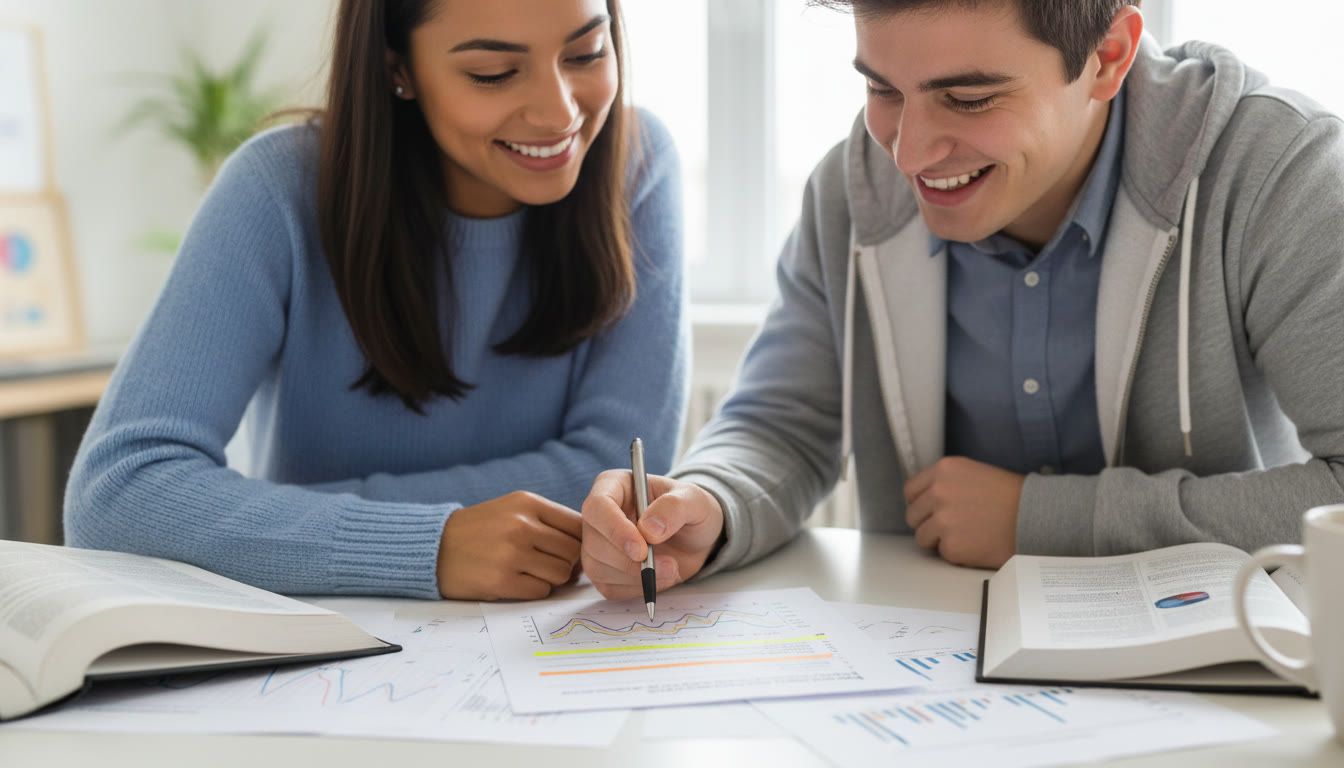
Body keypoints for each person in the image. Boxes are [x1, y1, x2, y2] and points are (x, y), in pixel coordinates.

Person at [580, 0, 1344, 600]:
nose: (908, 153)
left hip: (1218, 680)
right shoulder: (851, 189)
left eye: (969, 98)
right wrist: (710, 503)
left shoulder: (1280, 172)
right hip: (930, 681)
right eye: (882, 89)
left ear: (1107, 56)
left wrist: (1043, 521)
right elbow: (781, 425)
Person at [65, 0, 687, 601]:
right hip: (328, 639)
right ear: (398, 67)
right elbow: (117, 494)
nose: (558, 113)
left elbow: (619, 481)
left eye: (586, 53)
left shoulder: (636, 163)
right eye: (493, 73)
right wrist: (429, 544)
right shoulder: (277, 190)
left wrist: (284, 522)